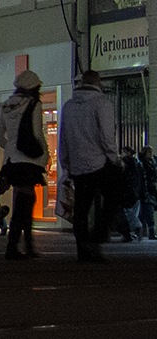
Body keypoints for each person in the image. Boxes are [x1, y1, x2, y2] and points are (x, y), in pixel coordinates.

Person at [59, 70, 119, 263]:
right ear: (98, 83)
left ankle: (82, 250)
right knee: (114, 196)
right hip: (99, 162)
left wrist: (66, 163)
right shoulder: (102, 104)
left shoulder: (68, 106)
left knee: (82, 207)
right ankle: (98, 236)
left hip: (77, 165)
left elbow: (63, 138)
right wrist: (114, 159)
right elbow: (107, 137)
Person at [0, 69, 47, 260]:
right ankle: (17, 246)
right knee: (25, 203)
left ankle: (20, 245)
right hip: (28, 162)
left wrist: (11, 147)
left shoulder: (7, 106)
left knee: (21, 201)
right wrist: (44, 154)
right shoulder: (34, 104)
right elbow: (36, 133)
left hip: (11, 161)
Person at [120, 147, 144, 241]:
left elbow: (122, 178)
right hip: (136, 191)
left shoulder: (124, 163)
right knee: (133, 213)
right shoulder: (138, 164)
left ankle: (136, 227)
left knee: (127, 213)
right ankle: (130, 232)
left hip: (127, 191)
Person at [140, 146, 157, 240]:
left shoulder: (151, 162)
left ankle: (142, 232)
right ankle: (150, 233)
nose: (150, 155)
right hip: (146, 191)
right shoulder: (143, 164)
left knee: (144, 213)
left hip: (149, 190)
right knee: (148, 213)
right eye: (149, 153)